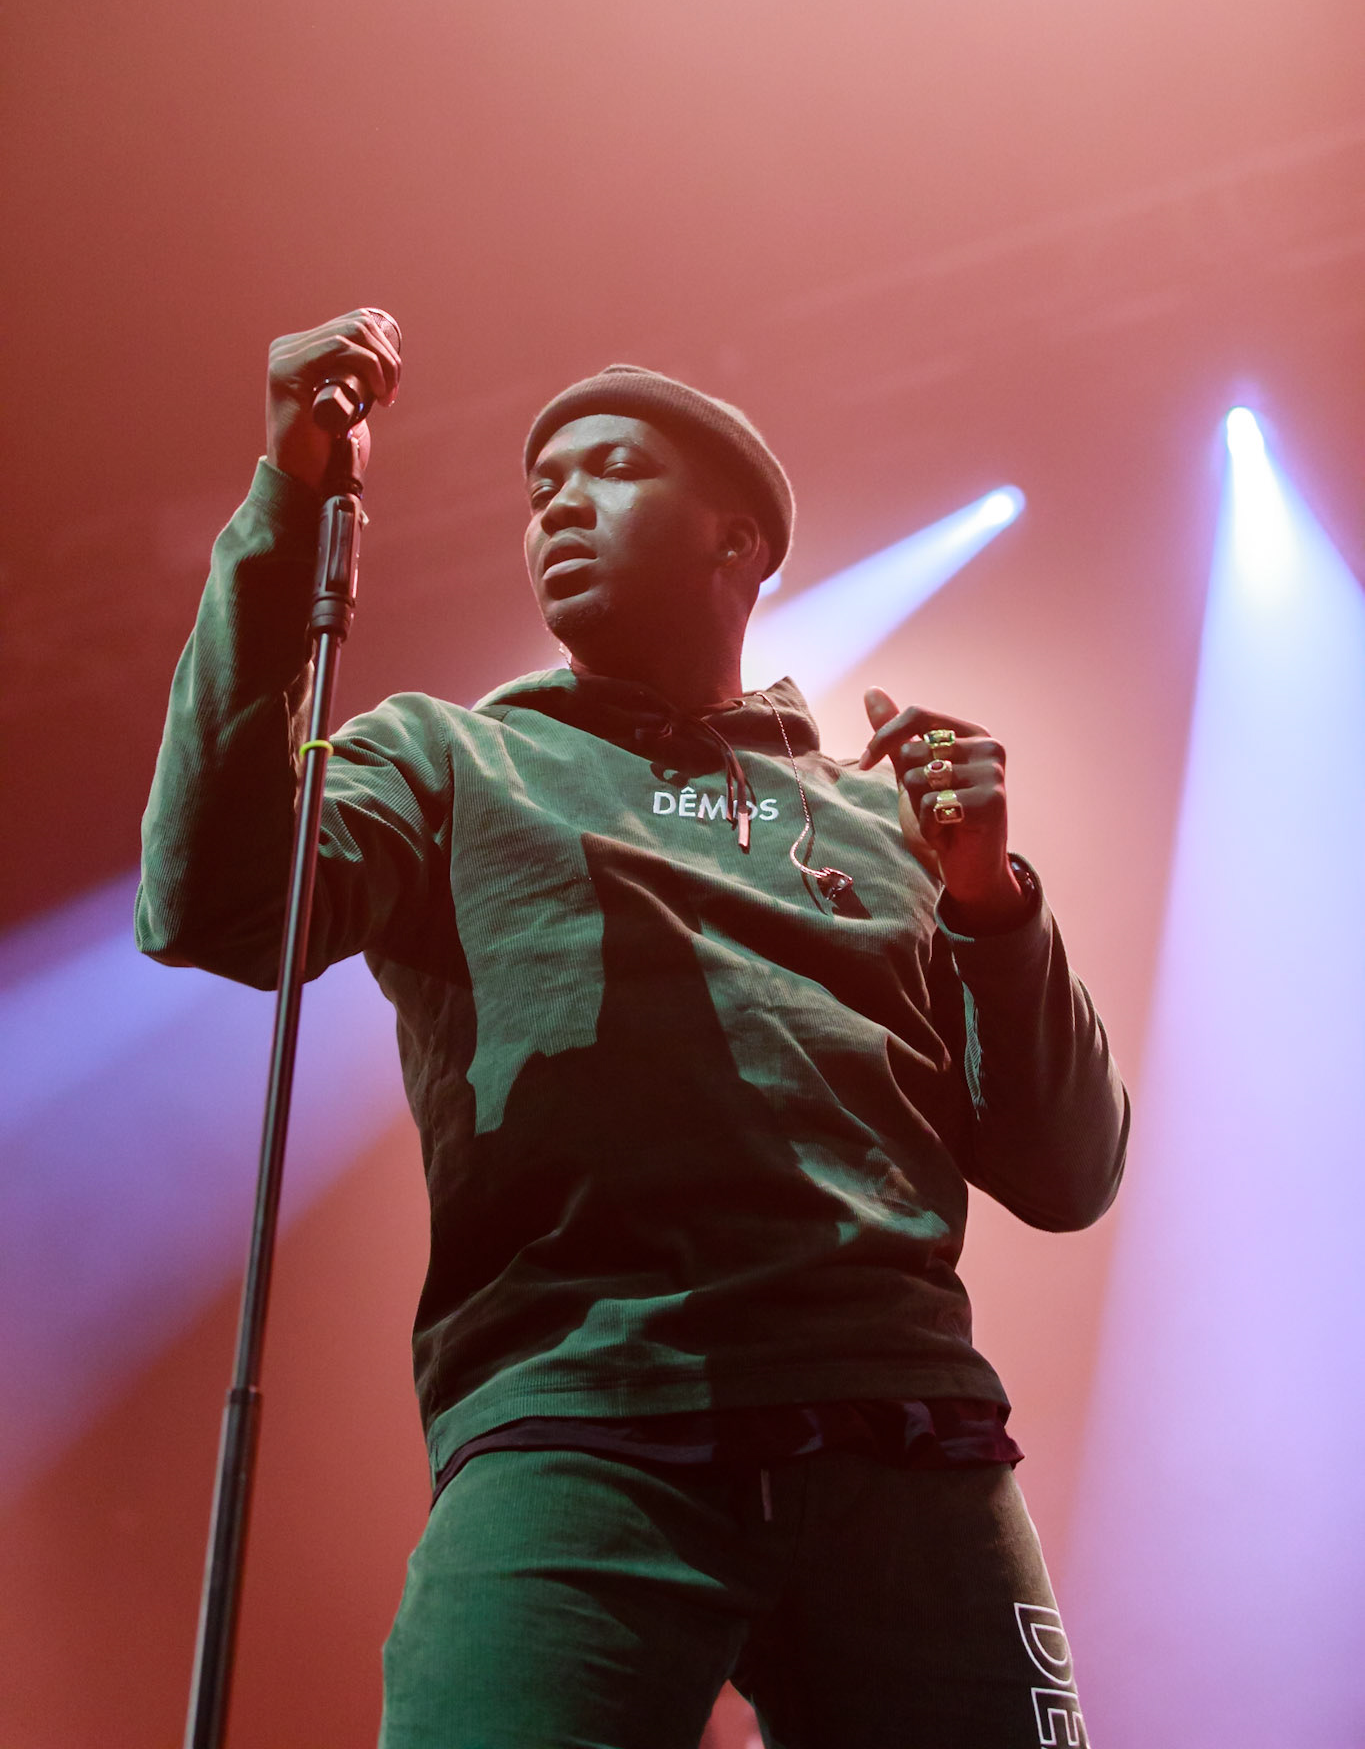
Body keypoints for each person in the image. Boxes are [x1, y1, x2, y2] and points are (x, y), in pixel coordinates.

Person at [138, 306, 1127, 1749]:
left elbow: (1066, 1172)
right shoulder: (448, 758)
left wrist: (991, 904)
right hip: (579, 1422)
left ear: (734, 543)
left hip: (902, 1437)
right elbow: (212, 903)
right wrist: (286, 509)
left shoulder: (881, 814)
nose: (558, 507)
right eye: (540, 489)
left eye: (606, 471)